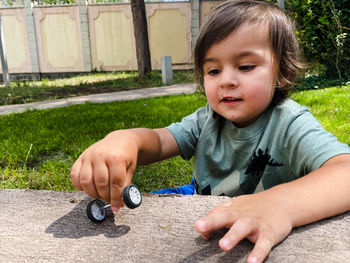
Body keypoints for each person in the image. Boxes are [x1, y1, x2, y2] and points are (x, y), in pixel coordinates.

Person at [70, 1, 350, 262]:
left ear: (281, 73)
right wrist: (125, 139)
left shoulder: (290, 123)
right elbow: (159, 141)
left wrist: (281, 205)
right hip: (198, 196)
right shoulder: (208, 117)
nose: (226, 80)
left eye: (245, 66)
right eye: (213, 70)